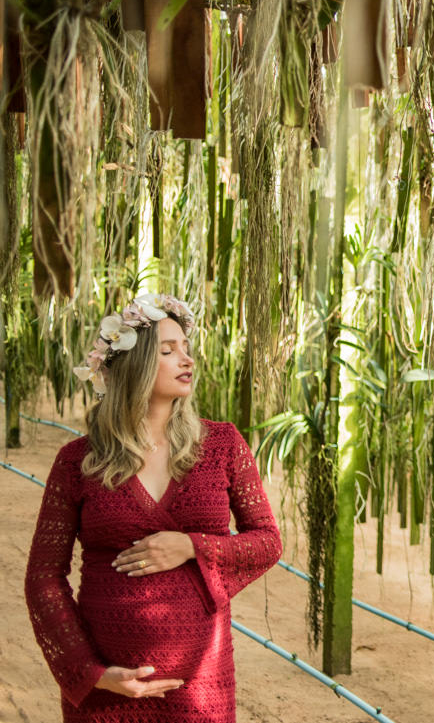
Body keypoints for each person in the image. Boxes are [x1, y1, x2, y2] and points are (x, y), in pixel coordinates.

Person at [24, 293, 283, 723]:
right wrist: (91, 673)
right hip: (108, 691)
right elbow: (43, 578)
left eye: (186, 348)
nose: (186, 359)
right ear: (134, 364)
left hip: (200, 689)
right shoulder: (78, 461)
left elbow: (268, 542)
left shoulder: (222, 445)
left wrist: (191, 546)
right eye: (168, 350)